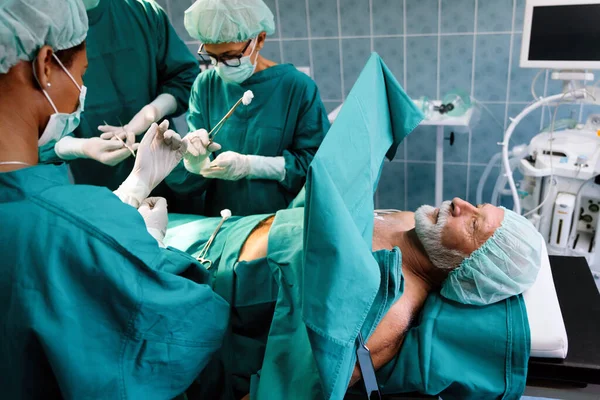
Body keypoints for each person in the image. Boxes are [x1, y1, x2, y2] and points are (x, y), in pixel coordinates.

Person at [0, 1, 228, 398]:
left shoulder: (59, 222)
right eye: (83, 74)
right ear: (46, 67)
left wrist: (131, 191)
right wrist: (148, 250)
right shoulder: (74, 228)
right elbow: (190, 330)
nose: (84, 91)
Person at [162, 197, 543, 398]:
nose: (460, 203)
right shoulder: (412, 221)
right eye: (477, 206)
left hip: (186, 287)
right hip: (217, 230)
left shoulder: (386, 313)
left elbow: (292, 393)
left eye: (473, 223)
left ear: (467, 269)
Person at [166, 0, 331, 216]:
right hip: (223, 221)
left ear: (259, 39)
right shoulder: (205, 85)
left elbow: (315, 166)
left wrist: (251, 166)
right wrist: (194, 163)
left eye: (230, 57)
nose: (220, 66)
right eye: (213, 57)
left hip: (279, 222)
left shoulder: (296, 87)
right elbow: (191, 175)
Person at [40, 0, 199, 196]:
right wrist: (82, 147)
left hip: (168, 170)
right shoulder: (44, 30)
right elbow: (36, 129)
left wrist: (151, 113)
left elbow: (185, 78)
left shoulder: (143, 11)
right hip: (101, 189)